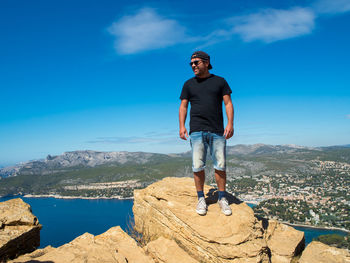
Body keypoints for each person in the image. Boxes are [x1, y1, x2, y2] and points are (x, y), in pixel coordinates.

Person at [179, 51, 234, 216]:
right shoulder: (188, 84)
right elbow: (183, 106)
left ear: (206, 62)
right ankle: (201, 198)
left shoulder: (220, 81)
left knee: (220, 166)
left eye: (196, 62)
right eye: (191, 64)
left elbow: (228, 103)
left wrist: (230, 123)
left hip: (217, 130)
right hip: (196, 130)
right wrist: (181, 126)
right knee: (197, 167)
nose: (193, 66)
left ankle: (222, 198)